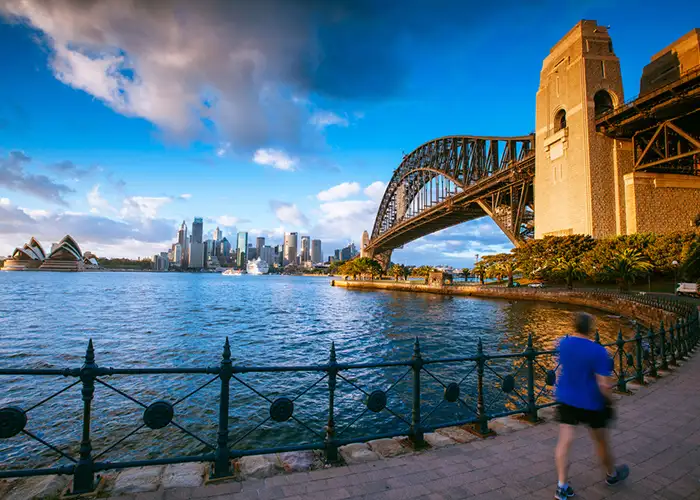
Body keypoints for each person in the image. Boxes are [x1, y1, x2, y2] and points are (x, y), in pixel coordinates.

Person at [553, 312, 629, 499]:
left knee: (565, 441)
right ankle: (611, 474)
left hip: (567, 398)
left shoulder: (563, 343)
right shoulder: (598, 351)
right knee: (601, 441)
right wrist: (610, 401)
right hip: (591, 401)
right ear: (591, 328)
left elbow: (561, 369)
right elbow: (604, 384)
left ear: (575, 326)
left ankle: (562, 485)